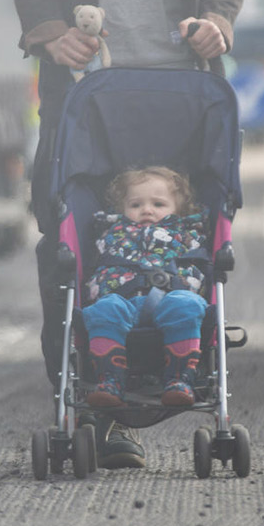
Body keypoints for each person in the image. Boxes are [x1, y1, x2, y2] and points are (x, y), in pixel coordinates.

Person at [9, 0, 249, 469]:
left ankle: (177, 367)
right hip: (85, 84)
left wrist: (218, 18)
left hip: (182, 85)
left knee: (185, 233)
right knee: (66, 233)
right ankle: (91, 409)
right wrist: (49, 36)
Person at [83, 166, 208, 408]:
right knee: (103, 309)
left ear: (178, 210)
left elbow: (199, 268)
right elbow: (94, 266)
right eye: (135, 205)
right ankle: (110, 380)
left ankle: (180, 379)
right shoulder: (110, 233)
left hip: (171, 297)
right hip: (122, 298)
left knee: (187, 305)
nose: (146, 210)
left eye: (158, 205)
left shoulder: (187, 234)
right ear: (122, 209)